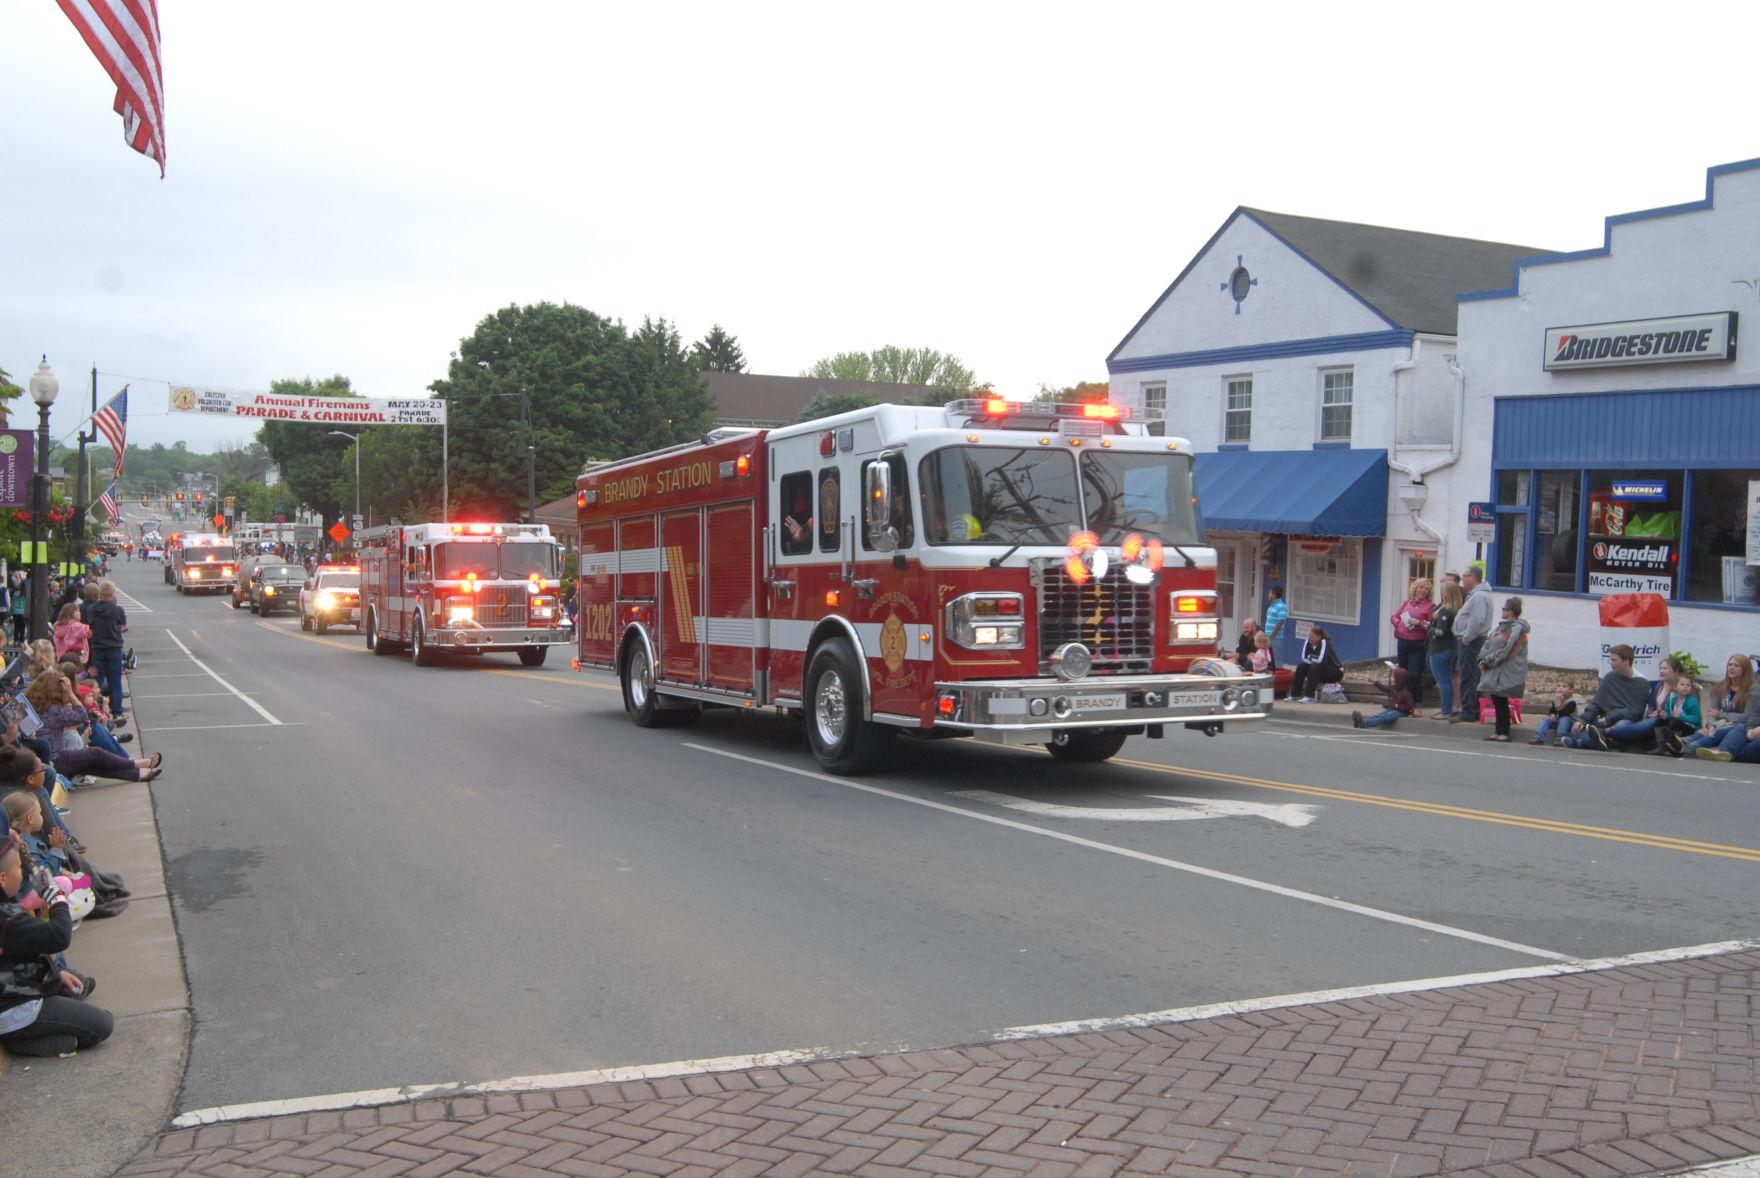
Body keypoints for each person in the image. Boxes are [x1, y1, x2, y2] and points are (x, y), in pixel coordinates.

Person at [0, 830, 112, 1057]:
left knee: (76, 986)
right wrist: (56, 897)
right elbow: (59, 936)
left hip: (14, 987)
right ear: (2, 878)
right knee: (103, 1024)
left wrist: (56, 973)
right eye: (18, 869)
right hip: (12, 1006)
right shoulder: (6, 920)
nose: (21, 875)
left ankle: (40, 1027)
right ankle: (22, 1040)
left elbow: (20, 955)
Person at [1559, 644, 1653, 749]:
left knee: (1620, 728)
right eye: (1610, 660)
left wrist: (1611, 718)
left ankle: (1580, 743)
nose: (1611, 663)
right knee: (1576, 729)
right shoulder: (1610, 677)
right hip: (1605, 718)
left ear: (1626, 661)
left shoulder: (1641, 683)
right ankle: (1602, 740)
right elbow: (1597, 702)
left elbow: (1636, 711)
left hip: (1626, 720)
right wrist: (1583, 719)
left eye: (1614, 660)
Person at [1476, 597, 1530, 742]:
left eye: (1505, 609)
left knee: (1501, 699)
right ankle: (1498, 730)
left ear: (1511, 611)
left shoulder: (1517, 629)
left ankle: (1504, 731)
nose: (1502, 611)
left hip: (1506, 670)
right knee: (1496, 698)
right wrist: (1482, 657)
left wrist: (1488, 661)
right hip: (1495, 668)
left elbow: (1507, 650)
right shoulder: (1501, 627)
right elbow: (1489, 642)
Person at [1451, 567, 1494, 723]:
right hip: (1472, 640)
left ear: (1473, 577)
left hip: (1472, 641)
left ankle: (1469, 710)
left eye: (1464, 577)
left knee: (1468, 675)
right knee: (1472, 675)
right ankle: (1474, 708)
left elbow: (1477, 620)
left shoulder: (1479, 597)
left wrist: (1466, 638)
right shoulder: (1477, 595)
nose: (1462, 580)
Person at [1689, 655, 1755, 756]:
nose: (1731, 667)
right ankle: (1682, 742)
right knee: (1705, 731)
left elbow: (1747, 717)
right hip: (1720, 724)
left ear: (1745, 670)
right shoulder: (1719, 687)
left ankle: (1691, 747)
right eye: (1730, 665)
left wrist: (1721, 714)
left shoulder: (1753, 690)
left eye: (1736, 666)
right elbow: (1712, 712)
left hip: (1738, 726)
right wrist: (1711, 725)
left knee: (1721, 732)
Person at [86, 581, 128, 720]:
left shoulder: (92, 609)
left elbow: (90, 627)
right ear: (112, 593)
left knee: (97, 680)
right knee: (115, 680)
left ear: (100, 593)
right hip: (114, 647)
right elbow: (121, 626)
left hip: (97, 647)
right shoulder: (117, 610)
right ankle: (117, 711)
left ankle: (96, 708)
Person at [1390, 578, 1435, 703]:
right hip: (1403, 641)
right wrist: (1399, 624)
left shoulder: (1430, 606)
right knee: (1401, 674)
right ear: (1415, 588)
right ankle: (1400, 700)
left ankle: (1416, 702)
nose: (1423, 591)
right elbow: (1394, 617)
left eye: (1426, 589)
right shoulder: (1407, 603)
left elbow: (1431, 626)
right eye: (1421, 587)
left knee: (1414, 675)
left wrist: (1419, 623)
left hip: (1418, 644)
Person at [1426, 580, 1463, 719]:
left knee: (1443, 681)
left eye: (1443, 591)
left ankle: (1446, 710)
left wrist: (1429, 628)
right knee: (1446, 680)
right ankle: (1448, 708)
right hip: (1447, 647)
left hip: (1441, 648)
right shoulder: (1453, 609)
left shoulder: (1446, 611)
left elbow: (1440, 631)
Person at [1650, 674, 1702, 756]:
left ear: (1691, 688)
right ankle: (1662, 747)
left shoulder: (1693, 701)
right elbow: (1669, 713)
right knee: (1659, 721)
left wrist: (1681, 716)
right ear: (1675, 687)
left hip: (1690, 728)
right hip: (1677, 723)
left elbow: (1697, 719)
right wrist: (1664, 715)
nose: (1685, 687)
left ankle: (1676, 746)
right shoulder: (1672, 698)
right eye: (1682, 685)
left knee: (1675, 722)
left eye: (1688, 685)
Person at [1289, 625, 1342, 703]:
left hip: (1334, 671)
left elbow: (1321, 660)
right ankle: (1295, 695)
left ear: (1319, 637)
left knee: (1315, 666)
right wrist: (1312, 658)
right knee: (1301, 666)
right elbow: (1304, 658)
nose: (1309, 638)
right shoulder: (1308, 642)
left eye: (1312, 636)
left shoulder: (1325, 642)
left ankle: (1309, 696)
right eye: (1309, 636)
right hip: (1320, 671)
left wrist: (1310, 656)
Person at [1530, 682, 1586, 747]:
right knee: (1545, 720)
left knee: (1564, 718)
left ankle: (1560, 738)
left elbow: (1563, 713)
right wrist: (1552, 714)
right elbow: (1552, 710)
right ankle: (1539, 737)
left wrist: (1558, 703)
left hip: (1572, 723)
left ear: (1571, 690)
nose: (1560, 688)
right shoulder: (1556, 699)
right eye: (1558, 686)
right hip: (1559, 722)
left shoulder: (1572, 702)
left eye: (1564, 686)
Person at [52, 603, 91, 668]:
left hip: (62, 658)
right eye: (77, 611)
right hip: (76, 658)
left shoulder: (59, 626)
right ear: (71, 613)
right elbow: (89, 632)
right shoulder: (76, 626)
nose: (80, 613)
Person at [1263, 587, 1288, 653]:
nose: (1268, 594)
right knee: (1267, 657)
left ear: (1273, 594)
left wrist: (1272, 636)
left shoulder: (1281, 606)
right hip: (1268, 636)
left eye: (1270, 592)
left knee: (1276, 658)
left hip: (1275, 637)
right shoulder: (1271, 606)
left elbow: (1280, 621)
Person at [8, 573, 27, 645]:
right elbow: (26, 604)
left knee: (16, 627)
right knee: (22, 628)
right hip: (22, 612)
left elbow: (12, 603)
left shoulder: (15, 593)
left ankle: (15, 641)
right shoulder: (24, 594)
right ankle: (21, 641)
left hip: (15, 612)